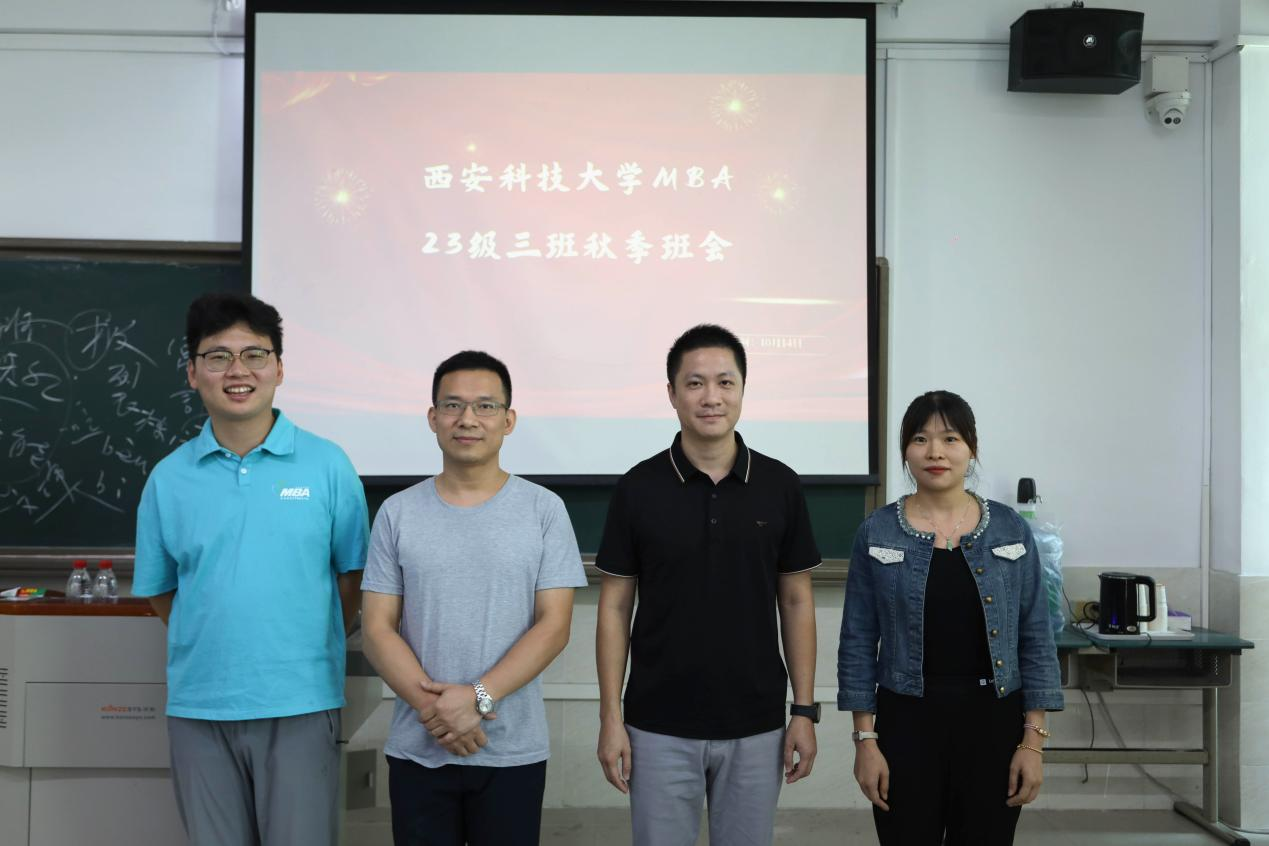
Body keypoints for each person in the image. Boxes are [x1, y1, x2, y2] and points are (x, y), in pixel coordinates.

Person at [132, 292, 369, 846]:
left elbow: (353, 578)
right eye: (218, 356)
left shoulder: (328, 464)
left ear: (279, 369)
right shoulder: (169, 478)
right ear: (193, 373)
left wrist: (297, 642)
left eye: (254, 355)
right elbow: (162, 592)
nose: (237, 371)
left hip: (302, 701)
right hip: (200, 705)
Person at [595, 324, 821, 846]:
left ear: (743, 389)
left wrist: (804, 711)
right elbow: (614, 609)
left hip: (757, 722)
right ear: (672, 393)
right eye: (695, 383)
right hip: (656, 724)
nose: (711, 397)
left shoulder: (780, 485)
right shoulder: (638, 488)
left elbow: (796, 601)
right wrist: (611, 718)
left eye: (725, 382)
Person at [360, 350, 586, 846]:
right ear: (432, 418)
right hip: (419, 745)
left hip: (512, 750)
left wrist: (477, 699)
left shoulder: (544, 510)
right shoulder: (397, 512)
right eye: (453, 405)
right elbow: (376, 628)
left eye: (485, 406)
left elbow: (554, 626)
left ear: (508, 420)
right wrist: (440, 713)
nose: (468, 419)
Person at [837, 390, 1063, 845]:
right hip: (905, 723)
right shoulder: (877, 531)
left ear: (971, 448)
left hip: (993, 722)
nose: (935, 452)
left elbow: (1036, 636)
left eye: (950, 439)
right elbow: (857, 641)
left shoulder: (1010, 529)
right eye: (920, 439)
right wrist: (866, 741)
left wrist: (1032, 742)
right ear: (905, 451)